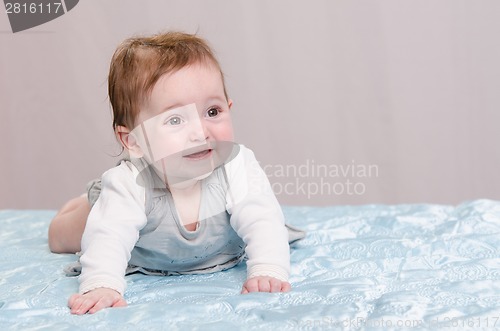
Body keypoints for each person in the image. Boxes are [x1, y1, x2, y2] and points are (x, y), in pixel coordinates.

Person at [48, 31, 304, 315]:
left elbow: (263, 220)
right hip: (123, 211)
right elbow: (108, 237)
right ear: (132, 140)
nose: (200, 132)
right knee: (68, 234)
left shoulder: (237, 164)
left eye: (212, 112)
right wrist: (101, 284)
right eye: (175, 119)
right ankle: (89, 201)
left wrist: (268, 270)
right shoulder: (130, 183)